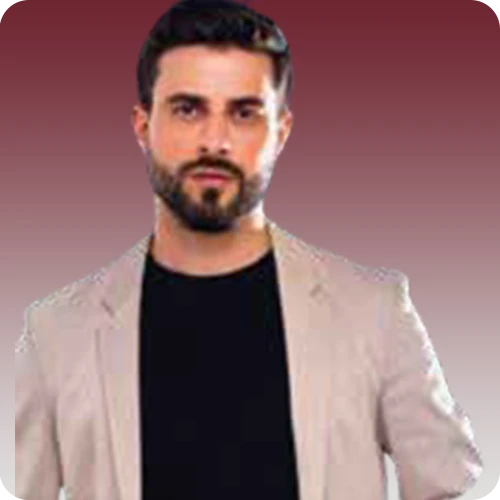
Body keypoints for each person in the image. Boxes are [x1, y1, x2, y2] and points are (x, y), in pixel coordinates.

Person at [15, 0, 483, 499]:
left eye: (243, 113)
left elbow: (448, 483)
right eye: (188, 109)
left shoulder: (374, 311)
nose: (214, 140)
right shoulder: (56, 334)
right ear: (142, 126)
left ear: (280, 132)